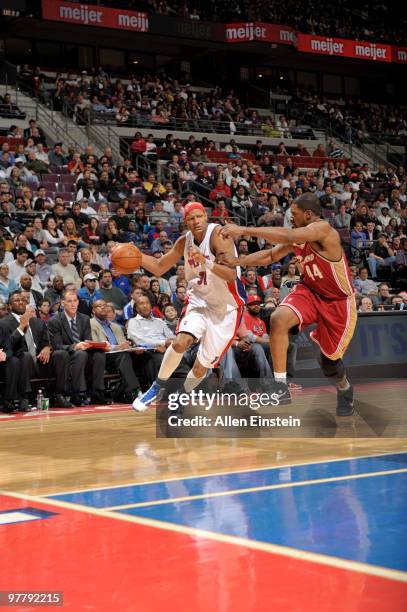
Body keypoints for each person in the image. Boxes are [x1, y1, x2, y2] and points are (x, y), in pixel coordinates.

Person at [220, 193, 357, 415]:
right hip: (310, 291)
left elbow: (288, 234)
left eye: (294, 214)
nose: (290, 217)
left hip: (338, 301)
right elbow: (270, 256)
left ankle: (345, 389)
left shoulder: (322, 229)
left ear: (308, 215)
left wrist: (243, 230)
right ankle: (281, 386)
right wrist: (238, 261)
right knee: (278, 318)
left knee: (329, 363)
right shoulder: (298, 239)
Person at [132, 201, 246, 412]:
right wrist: (136, 257)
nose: (196, 222)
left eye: (199, 217)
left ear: (205, 216)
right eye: (191, 219)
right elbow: (159, 267)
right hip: (199, 300)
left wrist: (206, 261)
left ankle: (182, 397)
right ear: (186, 222)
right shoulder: (184, 241)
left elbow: (231, 274)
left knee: (201, 366)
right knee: (181, 341)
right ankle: (157, 387)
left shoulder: (219, 236)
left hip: (227, 308)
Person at [1, 292, 72, 409]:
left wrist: (47, 348)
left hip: (41, 361)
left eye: (23, 300)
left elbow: (50, 342)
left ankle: (60, 394)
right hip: (21, 365)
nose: (21, 302)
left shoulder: (36, 321)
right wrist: (20, 327)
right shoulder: (4, 323)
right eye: (16, 300)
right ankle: (24, 397)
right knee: (26, 356)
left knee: (61, 355)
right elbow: (7, 347)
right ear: (9, 306)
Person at [48, 289, 107, 406]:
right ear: (62, 303)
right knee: (80, 354)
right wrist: (75, 346)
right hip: (66, 355)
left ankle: (97, 392)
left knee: (99, 354)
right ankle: (78, 393)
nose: (73, 303)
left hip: (82, 353)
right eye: (69, 301)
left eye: (75, 300)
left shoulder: (84, 319)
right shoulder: (55, 320)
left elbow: (87, 339)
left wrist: (99, 345)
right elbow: (56, 345)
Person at [90, 300, 140, 401]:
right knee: (123, 356)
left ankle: (123, 393)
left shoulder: (116, 326)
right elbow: (95, 344)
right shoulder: (90, 323)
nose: (103, 307)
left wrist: (132, 348)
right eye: (99, 306)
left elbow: (123, 344)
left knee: (140, 356)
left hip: (120, 358)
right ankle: (134, 391)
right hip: (102, 357)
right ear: (93, 311)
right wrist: (117, 347)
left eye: (104, 305)